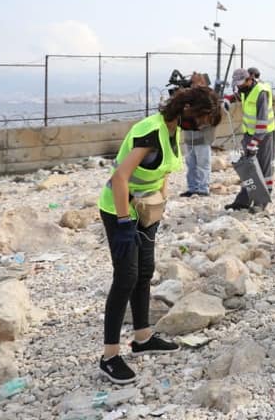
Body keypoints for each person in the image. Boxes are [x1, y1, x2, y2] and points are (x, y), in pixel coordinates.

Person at [98, 86, 222, 384]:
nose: (202, 125)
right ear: (187, 108)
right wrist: (126, 222)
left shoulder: (172, 130)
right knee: (125, 278)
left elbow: (162, 172)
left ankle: (142, 338)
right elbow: (119, 178)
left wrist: (159, 209)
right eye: (203, 118)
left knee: (144, 273)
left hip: (145, 213)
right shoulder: (151, 131)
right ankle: (110, 356)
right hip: (119, 211)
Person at [224, 67, 275, 213]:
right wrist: (228, 99)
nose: (239, 86)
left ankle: (261, 202)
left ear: (249, 79)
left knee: (263, 168)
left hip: (264, 135)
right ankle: (243, 200)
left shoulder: (261, 92)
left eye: (241, 83)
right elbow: (238, 95)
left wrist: (254, 143)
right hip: (249, 134)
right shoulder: (245, 90)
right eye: (237, 84)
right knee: (247, 167)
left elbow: (262, 121)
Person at [180, 72, 214, 197]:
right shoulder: (190, 97)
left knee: (203, 164)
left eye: (197, 82)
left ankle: (203, 188)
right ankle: (192, 188)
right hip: (190, 136)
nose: (194, 84)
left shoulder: (207, 97)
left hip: (203, 137)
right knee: (191, 164)